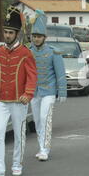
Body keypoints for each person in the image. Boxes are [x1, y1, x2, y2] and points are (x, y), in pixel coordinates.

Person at [0, 6, 37, 176]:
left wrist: (28, 94)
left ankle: (17, 164)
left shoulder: (26, 53)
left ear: (17, 33)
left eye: (10, 32)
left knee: (19, 134)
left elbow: (32, 77)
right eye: (5, 32)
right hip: (1, 100)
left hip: (19, 101)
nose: (7, 35)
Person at [29, 9, 67, 162]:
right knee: (37, 120)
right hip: (34, 91)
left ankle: (45, 149)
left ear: (45, 37)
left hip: (49, 90)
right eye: (34, 36)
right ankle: (41, 147)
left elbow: (60, 73)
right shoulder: (28, 52)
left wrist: (62, 91)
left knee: (45, 118)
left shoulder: (53, 52)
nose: (36, 39)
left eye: (39, 36)